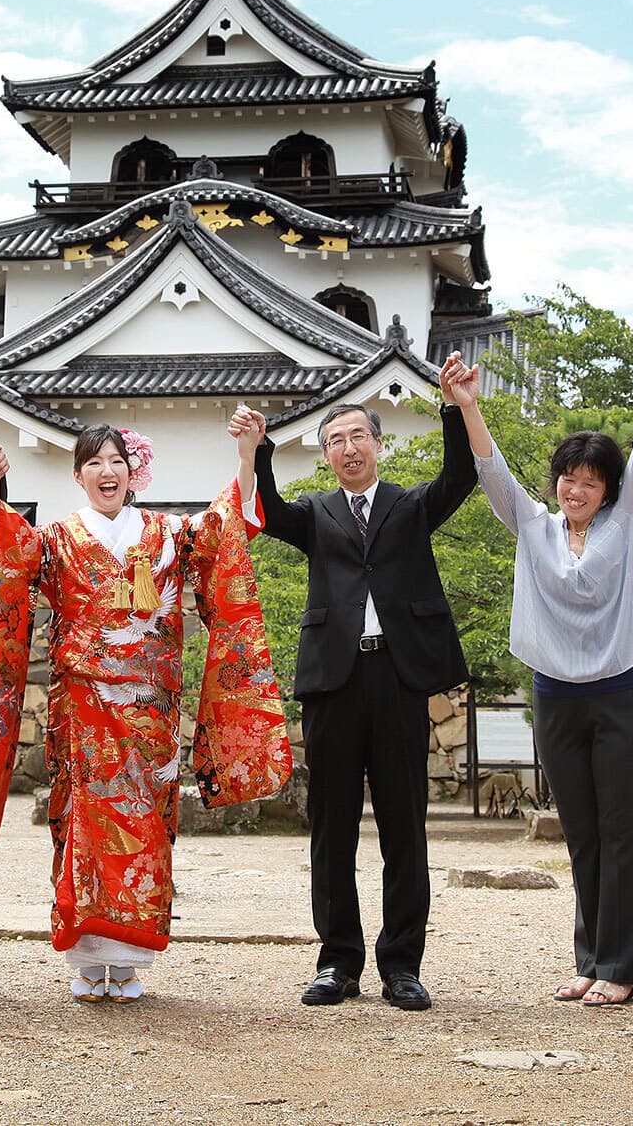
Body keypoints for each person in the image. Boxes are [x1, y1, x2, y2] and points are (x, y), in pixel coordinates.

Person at [0, 412, 289, 1003]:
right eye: (94, 463)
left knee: (146, 825)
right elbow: (1, 545)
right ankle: (87, 957)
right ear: (78, 475)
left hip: (150, 707)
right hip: (82, 705)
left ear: (133, 471)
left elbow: (228, 528)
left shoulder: (167, 531)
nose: (107, 471)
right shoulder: (57, 538)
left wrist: (245, 453)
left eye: (117, 461)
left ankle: (130, 959)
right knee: (82, 818)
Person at [443, 349, 633, 1008]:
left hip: (623, 694)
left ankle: (624, 965)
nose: (576, 489)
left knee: (623, 827)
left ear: (608, 489)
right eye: (567, 478)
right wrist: (468, 405)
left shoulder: (625, 520)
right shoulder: (532, 526)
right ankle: (592, 958)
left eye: (590, 481)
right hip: (556, 697)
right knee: (582, 829)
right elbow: (490, 470)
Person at [247, 353, 478, 1012]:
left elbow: (459, 475)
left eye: (358, 436)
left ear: (378, 444)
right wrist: (259, 449)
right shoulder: (315, 512)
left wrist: (456, 405)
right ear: (325, 454)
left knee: (406, 824)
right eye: (335, 440)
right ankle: (337, 960)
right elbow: (264, 510)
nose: (348, 447)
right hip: (334, 682)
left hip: (399, 676)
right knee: (332, 825)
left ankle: (401, 964)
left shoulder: (409, 506)